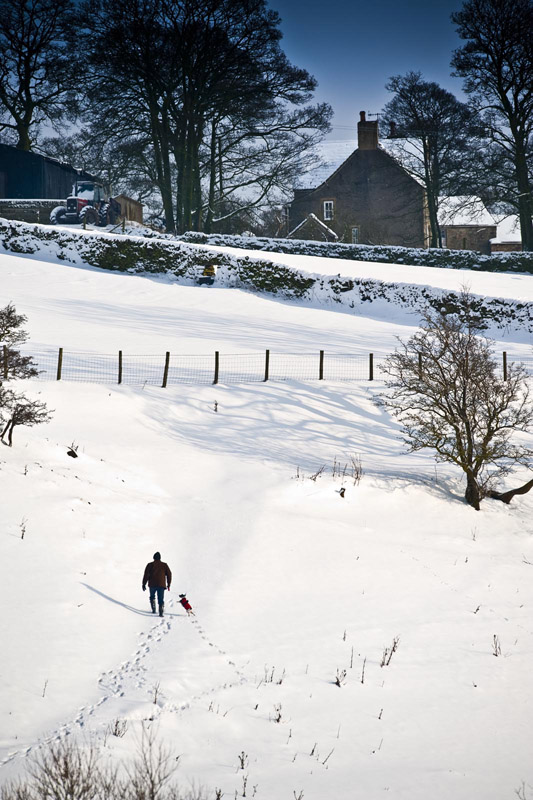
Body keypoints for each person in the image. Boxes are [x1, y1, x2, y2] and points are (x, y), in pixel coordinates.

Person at [142, 552, 172, 616]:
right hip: (161, 584)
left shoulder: (150, 565)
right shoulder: (164, 565)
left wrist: (144, 584)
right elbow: (169, 574)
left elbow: (146, 575)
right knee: (160, 598)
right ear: (160, 558)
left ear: (154, 558)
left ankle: (153, 608)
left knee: (152, 596)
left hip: (152, 584)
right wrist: (168, 584)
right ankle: (161, 610)